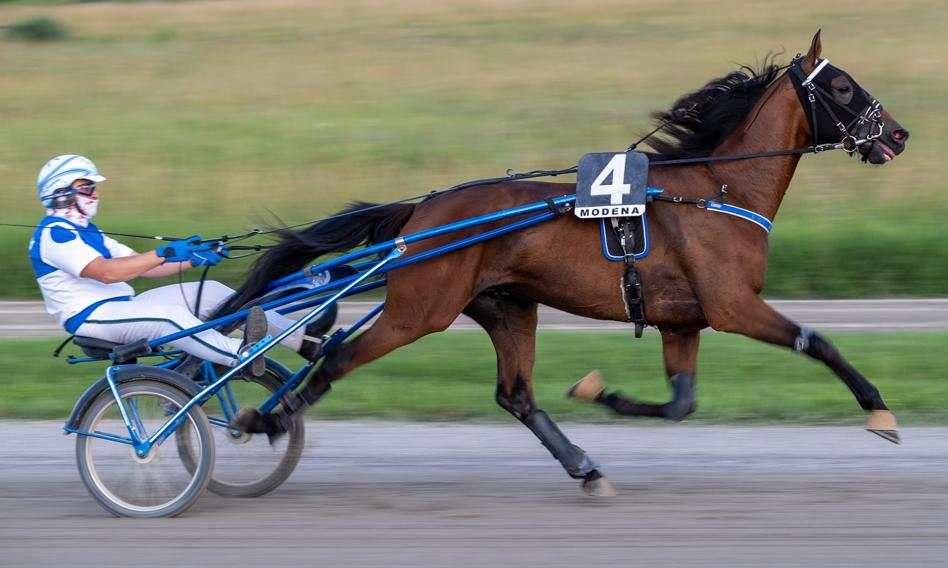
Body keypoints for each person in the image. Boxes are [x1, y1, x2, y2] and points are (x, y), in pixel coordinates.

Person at [29, 154, 328, 373]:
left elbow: (142, 266)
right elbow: (106, 273)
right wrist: (164, 252)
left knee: (213, 291)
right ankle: (240, 355)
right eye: (86, 188)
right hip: (92, 318)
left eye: (93, 187)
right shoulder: (54, 234)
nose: (94, 194)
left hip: (122, 307)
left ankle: (302, 339)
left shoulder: (89, 232)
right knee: (168, 318)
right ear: (61, 194)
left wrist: (191, 258)